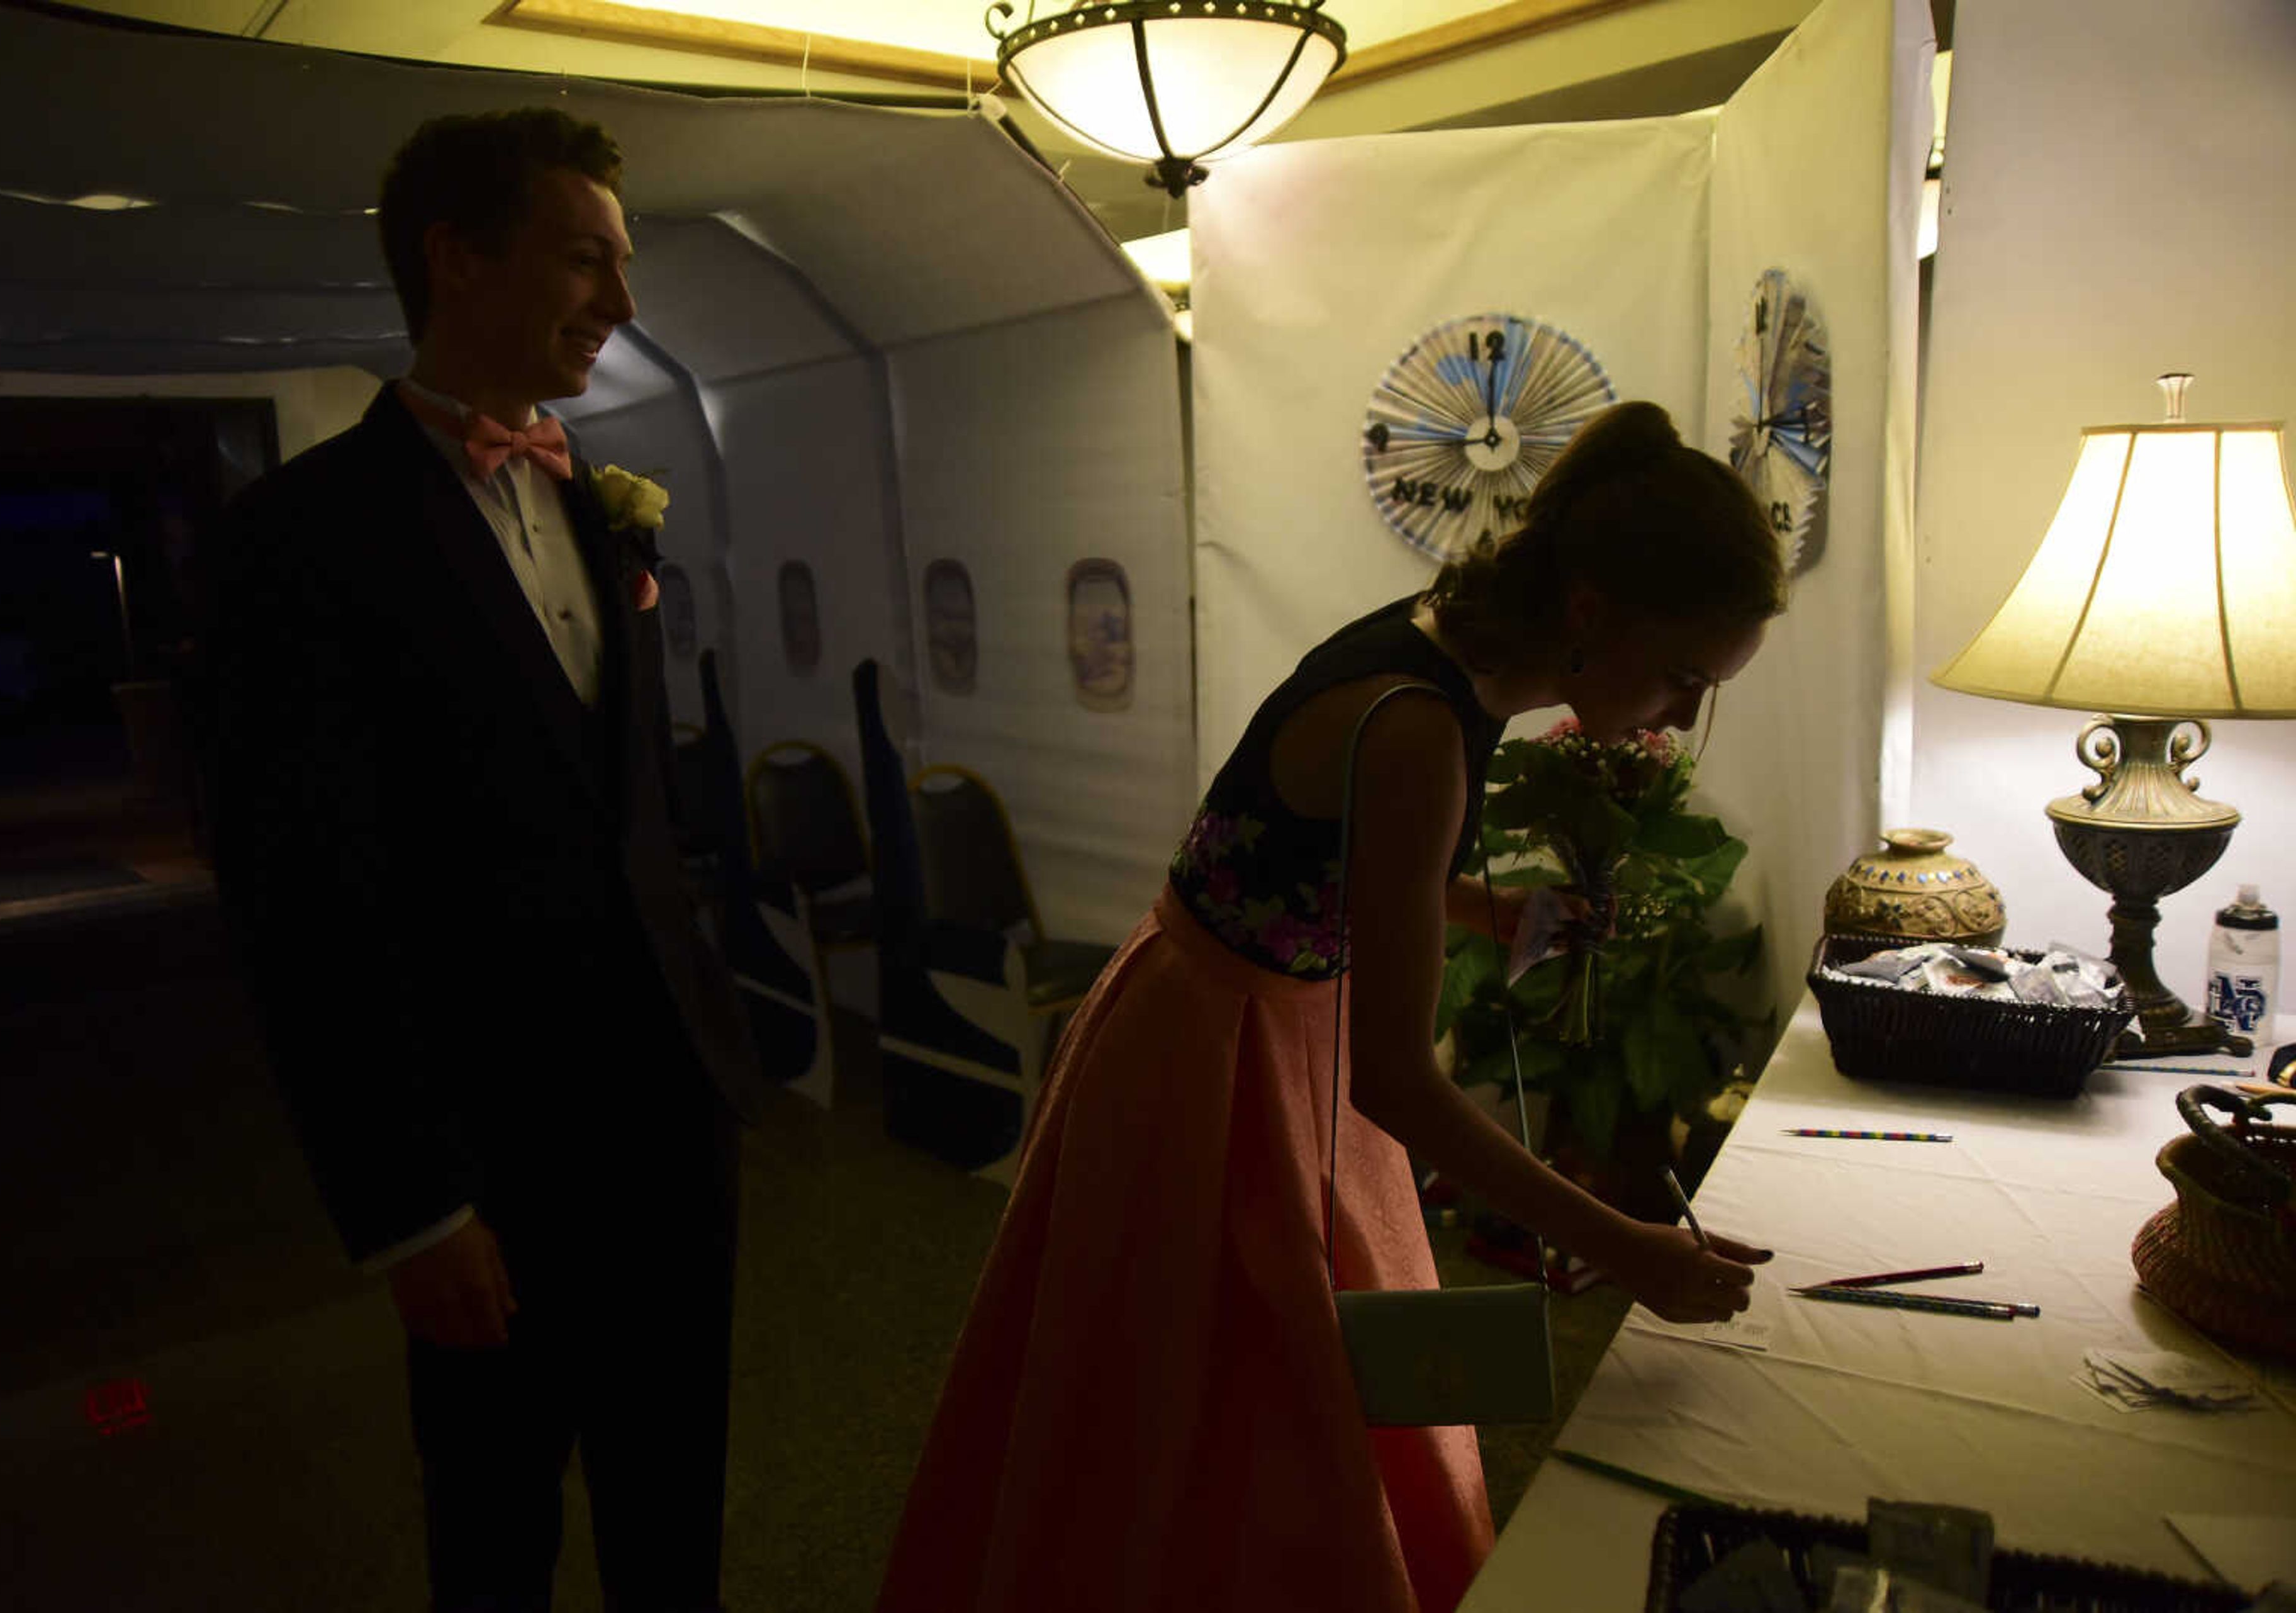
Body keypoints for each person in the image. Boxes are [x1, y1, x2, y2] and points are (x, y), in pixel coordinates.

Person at [876, 401, 1784, 1613]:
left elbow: (1316, 850)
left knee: (1252, 1394)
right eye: (1684, 677)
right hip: (1216, 1053)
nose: (1681, 716)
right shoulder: (1420, 728)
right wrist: (1627, 1250)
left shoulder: (1446, 655)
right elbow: (1399, 1083)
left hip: (1254, 1010)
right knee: (1233, 1401)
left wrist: (1486, 914)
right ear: (1588, 613)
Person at [205, 108, 763, 1613]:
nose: (624, 307)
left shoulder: (595, 502)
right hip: (488, 1157)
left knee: (675, 1506)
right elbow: (304, 899)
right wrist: (412, 1205)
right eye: (589, 260)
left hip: (669, 1115)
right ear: (457, 259)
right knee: (497, 1531)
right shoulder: (295, 541)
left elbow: (623, 812)